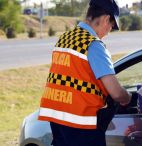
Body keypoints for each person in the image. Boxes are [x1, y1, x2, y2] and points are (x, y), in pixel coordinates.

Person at [38, 0, 131, 146]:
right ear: (106, 19)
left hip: (58, 120)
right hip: (82, 126)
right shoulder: (93, 45)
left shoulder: (65, 38)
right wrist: (128, 97)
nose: (108, 32)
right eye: (111, 26)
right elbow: (116, 93)